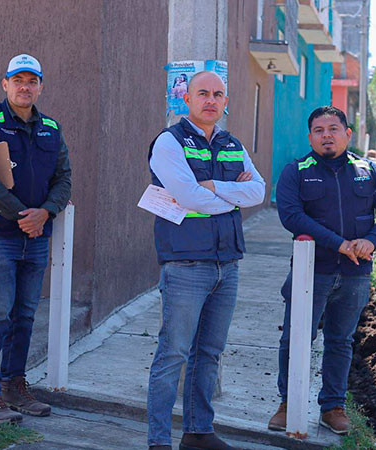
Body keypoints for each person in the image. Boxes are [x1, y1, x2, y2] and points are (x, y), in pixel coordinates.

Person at [146, 71, 265, 450]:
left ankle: (197, 433)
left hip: (226, 263)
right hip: (185, 264)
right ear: (187, 99)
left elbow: (258, 191)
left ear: (225, 101)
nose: (210, 100)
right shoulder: (169, 142)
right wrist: (232, 196)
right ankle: (159, 441)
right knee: (173, 353)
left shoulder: (232, 144)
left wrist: (215, 187)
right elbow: (188, 196)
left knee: (209, 353)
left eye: (217, 94)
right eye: (203, 93)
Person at [268, 106, 376, 435]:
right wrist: (339, 243)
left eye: (333, 129)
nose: (326, 135)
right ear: (310, 137)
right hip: (311, 272)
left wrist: (371, 240)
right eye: (318, 130)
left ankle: (332, 407)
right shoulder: (296, 172)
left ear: (347, 134)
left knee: (341, 341)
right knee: (295, 338)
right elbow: (292, 216)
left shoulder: (369, 171)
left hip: (356, 274)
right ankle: (288, 403)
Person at [0, 54, 72, 424]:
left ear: (40, 86)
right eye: (18, 80)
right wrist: (22, 215)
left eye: (32, 81)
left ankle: (13, 387)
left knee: (24, 315)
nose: (25, 87)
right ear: (5, 84)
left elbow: (64, 177)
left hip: (37, 236)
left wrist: (47, 211)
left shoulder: (51, 128)